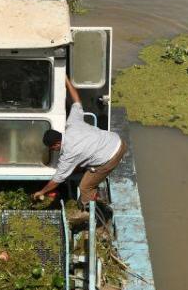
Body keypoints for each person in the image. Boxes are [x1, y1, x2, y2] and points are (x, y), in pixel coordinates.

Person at [33, 77, 125, 211]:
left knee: (85, 186)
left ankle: (91, 213)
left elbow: (58, 179)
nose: (53, 151)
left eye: (52, 149)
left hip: (110, 156)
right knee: (81, 167)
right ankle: (91, 203)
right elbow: (76, 101)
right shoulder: (72, 124)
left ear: (56, 144)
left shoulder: (69, 153)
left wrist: (42, 192)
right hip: (117, 140)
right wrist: (67, 81)